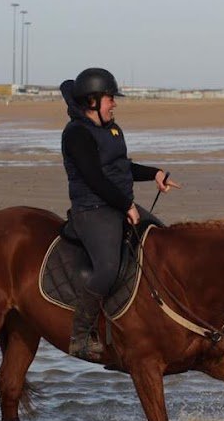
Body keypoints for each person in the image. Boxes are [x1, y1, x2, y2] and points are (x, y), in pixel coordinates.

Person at [60, 68, 181, 359]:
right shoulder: (76, 134)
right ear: (92, 101)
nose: (114, 104)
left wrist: (155, 173)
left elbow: (122, 168)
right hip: (92, 209)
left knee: (163, 240)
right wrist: (126, 206)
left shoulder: (111, 129)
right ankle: (80, 336)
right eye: (109, 98)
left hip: (115, 203)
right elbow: (94, 178)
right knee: (108, 267)